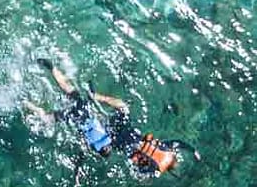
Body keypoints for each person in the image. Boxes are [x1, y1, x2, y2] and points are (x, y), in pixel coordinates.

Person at [26, 58, 198, 175]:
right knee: (63, 112)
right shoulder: (151, 167)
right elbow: (138, 169)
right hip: (109, 136)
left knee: (121, 106)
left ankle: (92, 94)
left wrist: (193, 151)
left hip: (124, 128)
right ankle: (29, 105)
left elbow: (178, 143)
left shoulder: (163, 148)